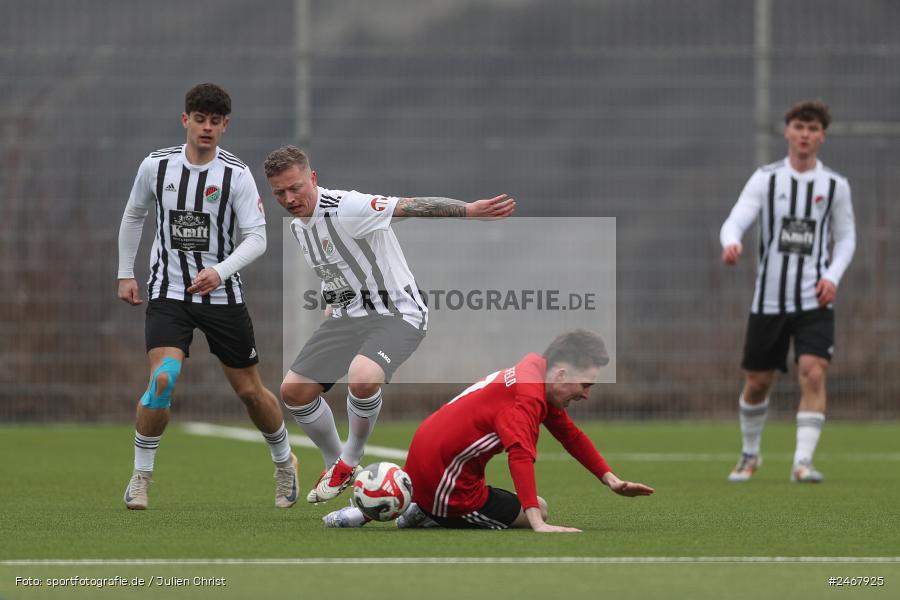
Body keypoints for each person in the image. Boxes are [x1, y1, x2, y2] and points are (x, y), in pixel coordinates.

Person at [263, 145, 516, 504]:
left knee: (363, 377)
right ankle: (336, 461)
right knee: (294, 391)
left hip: (398, 313)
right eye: (279, 193)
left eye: (295, 188)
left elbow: (409, 205)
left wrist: (468, 210)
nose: (289, 199)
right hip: (348, 316)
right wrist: (332, 301)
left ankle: (351, 457)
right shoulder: (300, 227)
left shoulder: (347, 208)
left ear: (313, 179)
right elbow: (334, 268)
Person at [117, 83, 298, 510]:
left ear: (225, 126)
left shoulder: (235, 174)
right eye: (200, 119)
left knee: (251, 392)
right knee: (162, 379)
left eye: (215, 122)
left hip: (222, 297)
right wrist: (125, 272)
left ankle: (284, 461)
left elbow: (257, 238)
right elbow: (134, 214)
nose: (206, 128)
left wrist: (220, 271)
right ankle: (141, 477)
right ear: (186, 120)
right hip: (168, 292)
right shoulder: (156, 167)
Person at [323, 329, 655, 532]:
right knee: (540, 505)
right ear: (562, 373)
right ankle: (425, 511)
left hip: (425, 460)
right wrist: (537, 522)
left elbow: (570, 435)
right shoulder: (526, 401)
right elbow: (521, 456)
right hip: (446, 485)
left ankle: (407, 506)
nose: (586, 393)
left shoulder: (532, 372)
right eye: (585, 384)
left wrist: (610, 479)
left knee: (504, 493)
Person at [720, 100, 856, 483]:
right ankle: (749, 454)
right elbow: (736, 219)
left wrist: (832, 276)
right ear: (787, 132)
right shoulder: (766, 178)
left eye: (813, 130)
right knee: (758, 382)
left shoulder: (834, 186)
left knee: (813, 373)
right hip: (769, 299)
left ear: (821, 137)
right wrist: (731, 242)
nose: (805, 136)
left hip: (815, 298)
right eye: (799, 127)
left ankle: (802, 463)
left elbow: (846, 238)